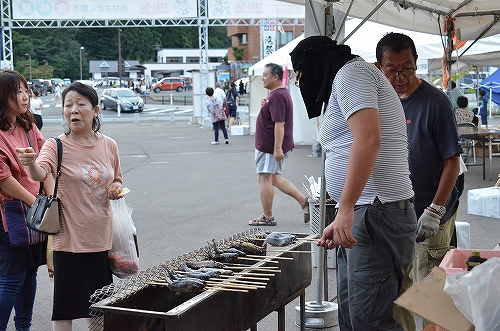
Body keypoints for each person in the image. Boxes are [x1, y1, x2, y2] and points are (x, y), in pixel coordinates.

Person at [291, 36, 416, 331]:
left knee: (369, 321)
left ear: (315, 62)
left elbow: (369, 139)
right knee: (351, 313)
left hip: (374, 212)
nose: (301, 82)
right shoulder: (351, 75)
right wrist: (344, 214)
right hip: (367, 212)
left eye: (301, 74)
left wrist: (345, 208)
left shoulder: (351, 74)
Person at [17, 82, 124, 331]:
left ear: (96, 110)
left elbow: (118, 179)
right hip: (69, 240)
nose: (73, 110)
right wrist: (30, 163)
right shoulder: (56, 145)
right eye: (68, 105)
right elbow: (39, 173)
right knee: (64, 307)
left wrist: (116, 189)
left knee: (99, 306)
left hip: (101, 239)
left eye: (80, 104)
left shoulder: (109, 145)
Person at [375, 32, 462, 331]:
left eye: (407, 69)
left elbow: (452, 161)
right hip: (398, 213)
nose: (400, 77)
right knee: (401, 290)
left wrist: (435, 210)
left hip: (432, 211)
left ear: (415, 64)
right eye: (392, 71)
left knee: (431, 292)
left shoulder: (436, 102)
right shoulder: (382, 103)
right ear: (379, 68)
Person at [0, 70, 49, 331]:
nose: (25, 96)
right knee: (11, 278)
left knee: (30, 272)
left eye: (26, 90)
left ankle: (24, 327)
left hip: (33, 210)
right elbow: (4, 179)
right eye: (18, 91)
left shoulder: (28, 126)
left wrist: (47, 199)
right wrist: (38, 204)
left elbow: (46, 162)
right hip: (8, 213)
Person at [249, 63, 309, 226]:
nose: (262, 78)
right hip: (270, 145)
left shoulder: (277, 96)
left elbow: (279, 123)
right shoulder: (277, 94)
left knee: (264, 178)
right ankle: (304, 202)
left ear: (275, 77)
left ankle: (267, 217)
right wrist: (266, 104)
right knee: (275, 178)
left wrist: (276, 148)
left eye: (265, 75)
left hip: (269, 146)